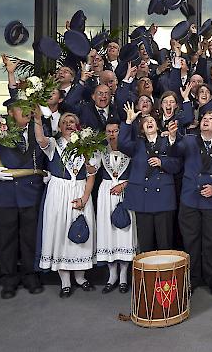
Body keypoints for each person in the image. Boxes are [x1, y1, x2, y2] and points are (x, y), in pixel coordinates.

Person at [33, 111, 97, 298]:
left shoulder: (86, 145)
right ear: (59, 126)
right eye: (65, 122)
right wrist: (38, 120)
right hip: (58, 193)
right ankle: (65, 281)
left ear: (78, 127)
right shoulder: (53, 144)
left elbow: (91, 174)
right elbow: (40, 139)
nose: (69, 124)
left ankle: (80, 277)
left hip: (80, 190)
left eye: (72, 122)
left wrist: (84, 198)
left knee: (81, 231)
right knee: (60, 232)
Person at [0, 99, 46, 299]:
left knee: (30, 239)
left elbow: (46, 154)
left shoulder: (39, 129)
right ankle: (9, 280)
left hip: (30, 193)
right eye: (22, 108)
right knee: (6, 240)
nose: (28, 111)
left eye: (30, 108)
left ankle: (31, 276)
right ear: (11, 112)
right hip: (4, 195)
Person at [168, 111, 212, 295]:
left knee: (211, 241)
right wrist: (172, 137)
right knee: (191, 242)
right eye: (204, 119)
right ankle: (192, 279)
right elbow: (175, 152)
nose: (206, 121)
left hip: (211, 201)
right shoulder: (188, 140)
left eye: (211, 119)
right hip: (190, 200)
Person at [119, 103, 181, 252]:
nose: (149, 123)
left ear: (158, 127)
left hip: (163, 200)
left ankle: (166, 275)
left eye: (152, 121)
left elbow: (177, 165)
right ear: (141, 129)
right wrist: (128, 122)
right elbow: (122, 144)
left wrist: (162, 162)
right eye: (146, 122)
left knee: (164, 243)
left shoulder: (169, 141)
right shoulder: (137, 145)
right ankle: (147, 275)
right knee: (145, 244)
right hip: (142, 199)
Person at [92, 119, 136, 294]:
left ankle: (124, 276)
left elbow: (139, 173)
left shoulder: (131, 149)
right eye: (108, 131)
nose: (112, 134)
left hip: (126, 191)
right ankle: (112, 276)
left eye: (115, 131)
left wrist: (123, 185)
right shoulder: (100, 150)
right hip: (106, 192)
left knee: (125, 231)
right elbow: (91, 170)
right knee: (108, 232)